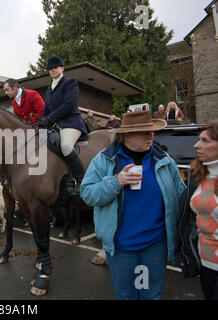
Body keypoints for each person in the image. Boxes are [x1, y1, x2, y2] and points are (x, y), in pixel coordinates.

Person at [80, 110, 186, 300]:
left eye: (152, 132)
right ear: (127, 135)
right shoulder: (104, 160)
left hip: (154, 245)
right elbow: (87, 194)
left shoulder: (163, 160)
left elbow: (180, 193)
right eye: (145, 132)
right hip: (121, 248)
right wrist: (116, 181)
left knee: (151, 294)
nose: (151, 136)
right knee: (127, 295)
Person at [38, 56, 88, 195]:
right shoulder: (49, 89)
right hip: (56, 125)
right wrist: (41, 122)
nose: (52, 70)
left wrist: (50, 119)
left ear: (62, 68)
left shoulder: (70, 82)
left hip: (71, 123)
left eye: (55, 67)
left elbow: (69, 104)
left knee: (66, 146)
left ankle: (80, 179)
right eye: (50, 68)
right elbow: (47, 109)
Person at [189, 119, 218, 300]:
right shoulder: (200, 174)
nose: (196, 145)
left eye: (205, 141)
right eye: (199, 139)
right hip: (206, 263)